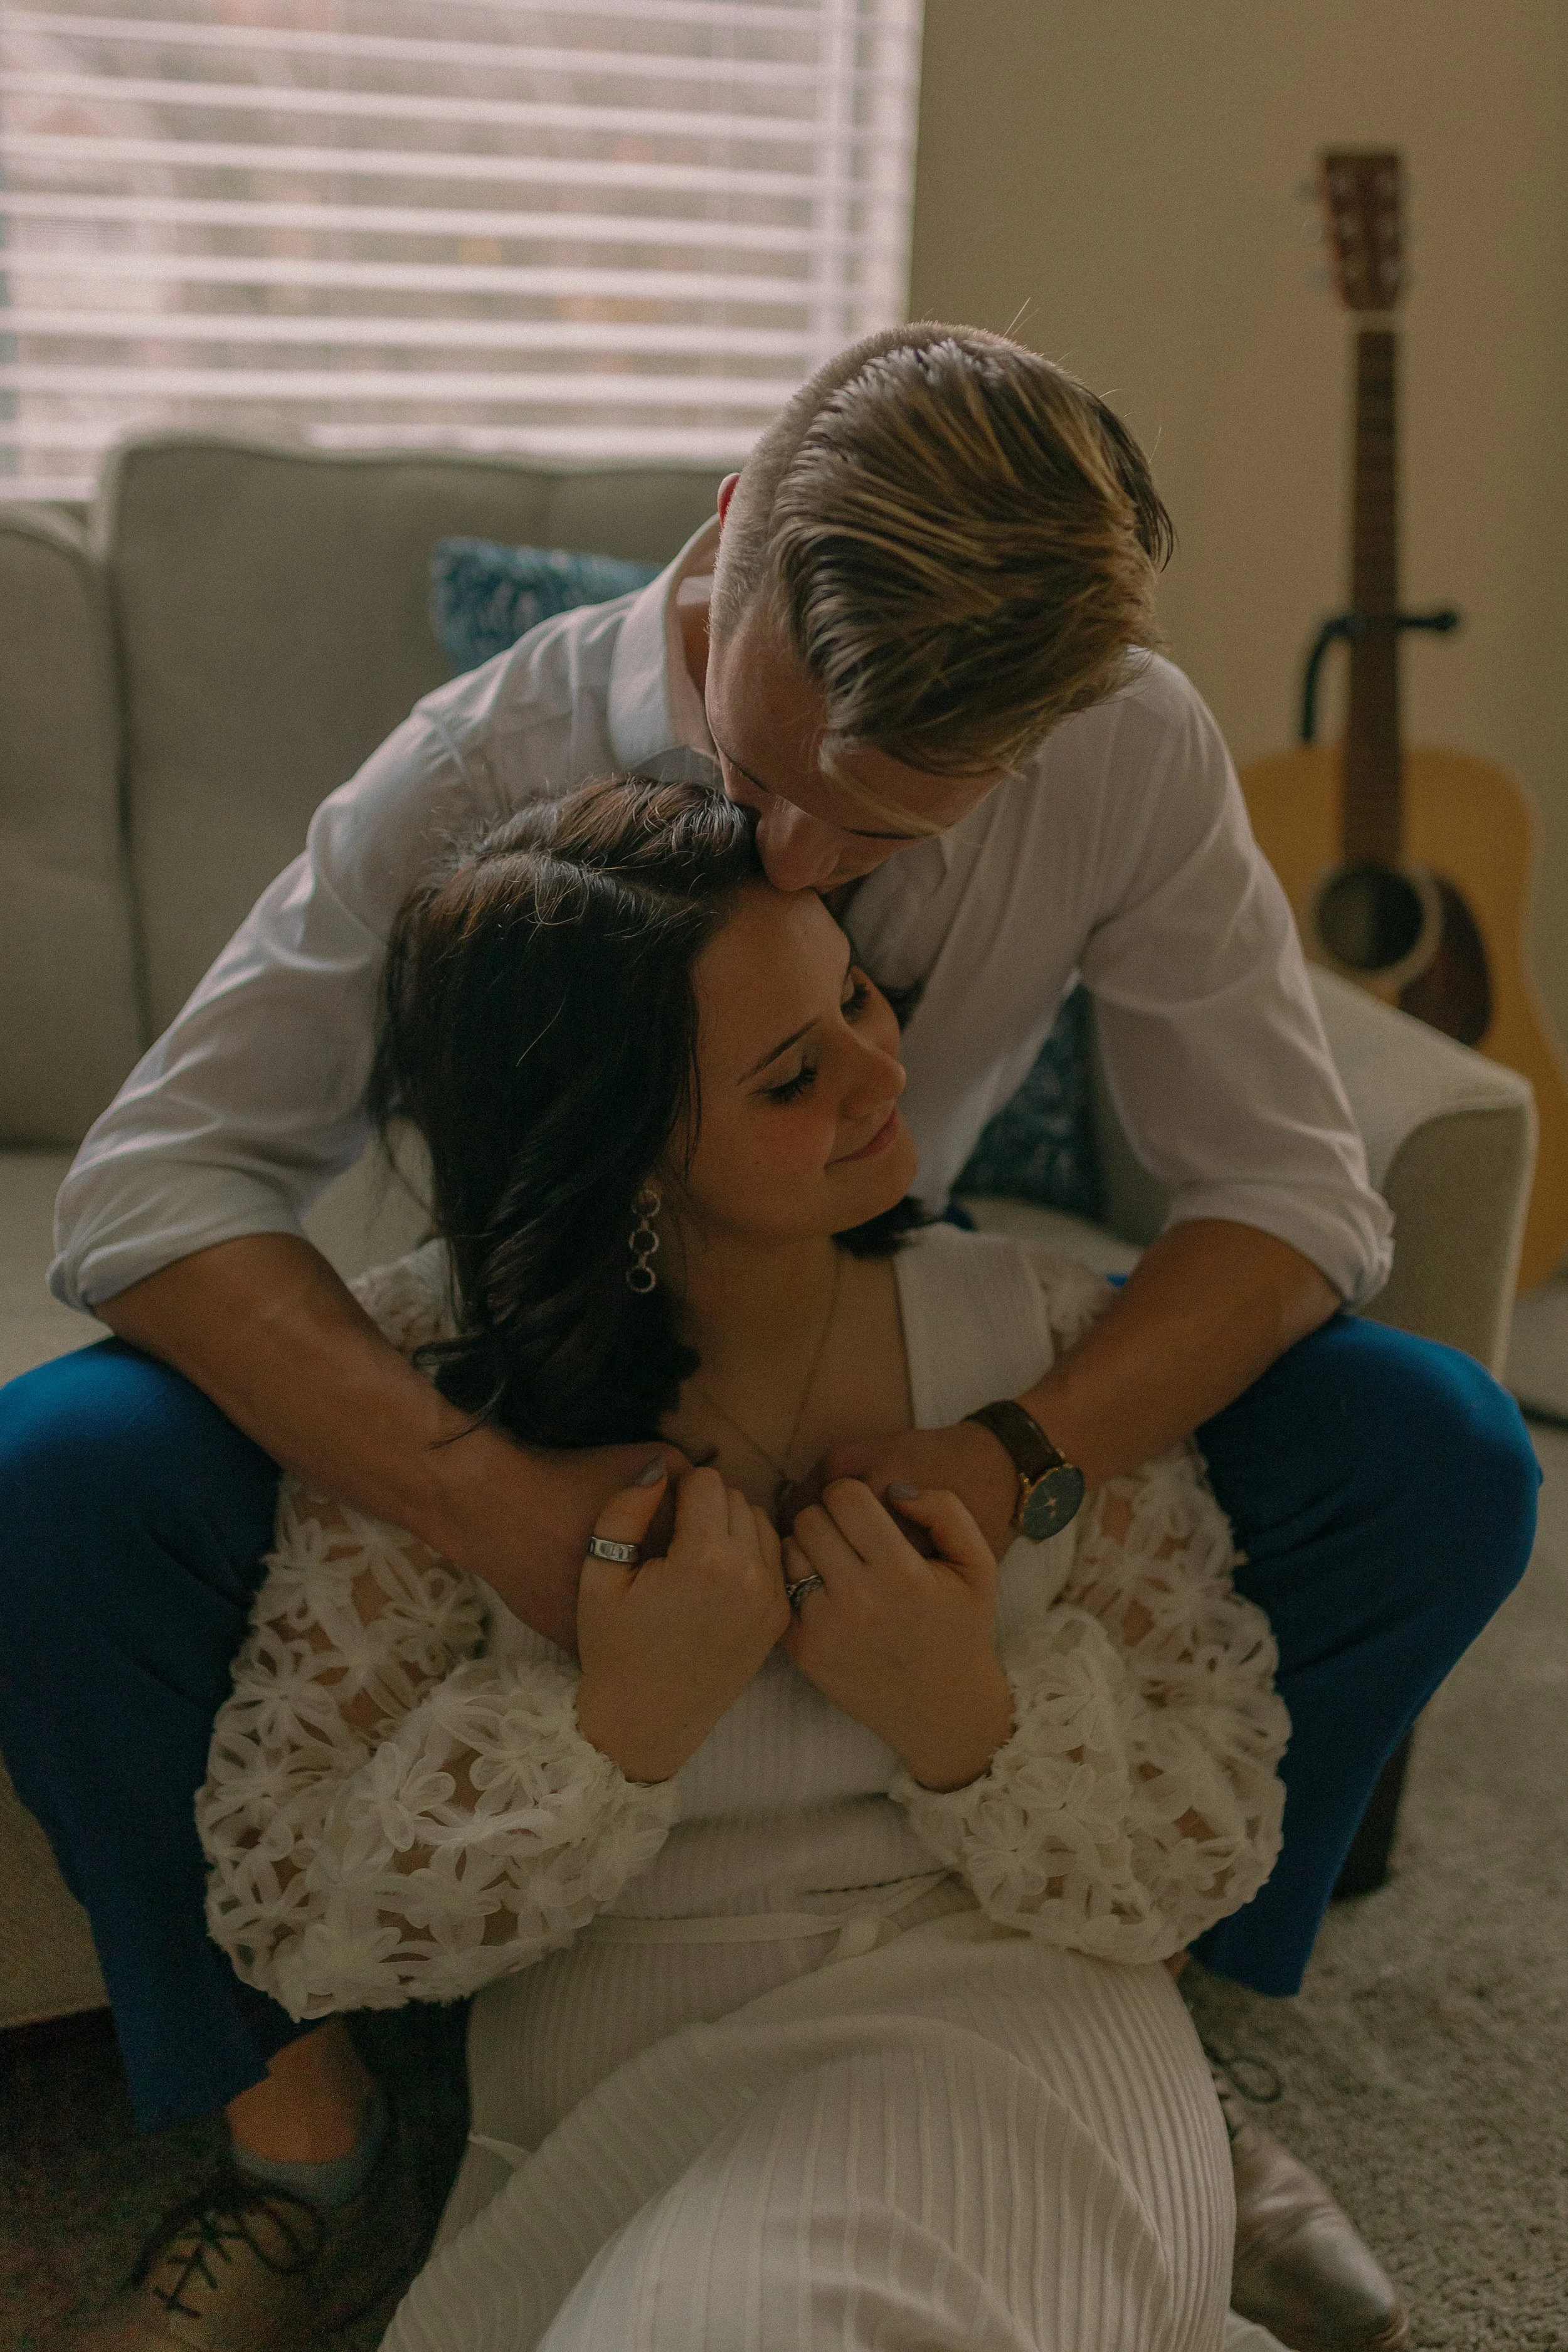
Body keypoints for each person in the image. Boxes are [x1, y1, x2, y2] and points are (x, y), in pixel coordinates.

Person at [0, 324, 1536, 2352]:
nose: (801, 863)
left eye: (890, 834)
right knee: (51, 1488)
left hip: (894, 1287)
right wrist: (483, 1496)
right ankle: (293, 2124)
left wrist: (1013, 1454)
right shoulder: (478, 769)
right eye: (769, 784)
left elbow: (1293, 1203)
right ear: (726, 545)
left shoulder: (1122, 741)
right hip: (522, 1339)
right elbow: (150, 1188)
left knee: (1442, 1450)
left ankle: (1156, 2019)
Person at [196, 775, 1291, 2352]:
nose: (879, 1072)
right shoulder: (420, 1386)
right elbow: (297, 1911)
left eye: (855, 993)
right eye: (791, 1078)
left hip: (1026, 2045)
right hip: (618, 2109)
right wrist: (616, 1726)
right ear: (619, 1155)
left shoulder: (1042, 1340)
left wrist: (963, 1721)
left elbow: (1210, 1838)